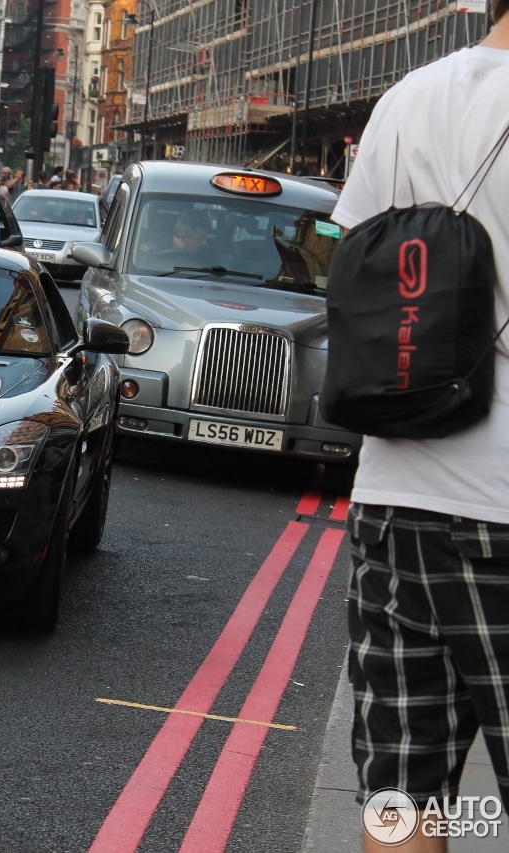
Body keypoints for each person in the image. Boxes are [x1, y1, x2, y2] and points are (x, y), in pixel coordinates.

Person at [332, 6, 509, 851]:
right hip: (504, 503)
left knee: (402, 800)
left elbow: (356, 245)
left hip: (394, 495)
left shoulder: (405, 97)